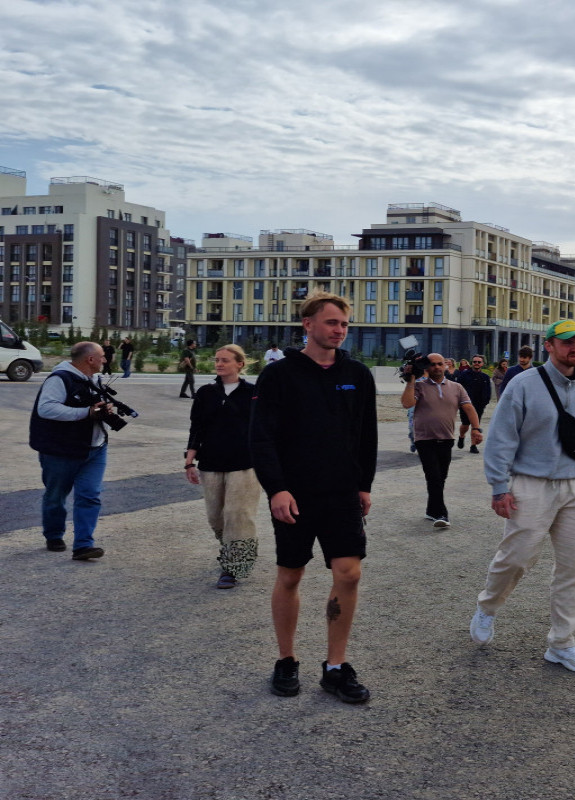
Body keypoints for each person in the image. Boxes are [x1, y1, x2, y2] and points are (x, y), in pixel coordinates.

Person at [250, 292, 377, 703]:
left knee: (349, 573)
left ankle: (336, 667)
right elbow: (262, 438)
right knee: (291, 574)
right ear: (308, 325)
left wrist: (364, 485)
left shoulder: (358, 374)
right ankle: (286, 660)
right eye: (331, 323)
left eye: (344, 324)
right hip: (295, 495)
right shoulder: (280, 375)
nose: (339, 330)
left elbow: (366, 436)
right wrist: (277, 489)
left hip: (341, 492)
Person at [471, 319, 575, 673]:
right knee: (517, 558)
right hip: (531, 484)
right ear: (548, 345)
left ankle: (562, 643)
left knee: (574, 567)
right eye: (567, 342)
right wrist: (499, 487)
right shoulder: (522, 385)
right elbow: (502, 438)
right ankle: (487, 607)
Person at [186, 344, 261, 589]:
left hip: (245, 463)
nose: (219, 364)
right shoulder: (206, 393)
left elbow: (266, 429)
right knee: (216, 517)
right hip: (211, 462)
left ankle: (233, 567)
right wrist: (189, 459)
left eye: (225, 360)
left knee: (237, 515)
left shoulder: (254, 392)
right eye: (217, 360)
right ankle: (229, 548)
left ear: (240, 364)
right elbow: (197, 427)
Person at [29, 341, 111, 560]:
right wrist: (86, 412)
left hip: (95, 448)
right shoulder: (59, 379)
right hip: (61, 450)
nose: (105, 360)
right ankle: (54, 534)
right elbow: (46, 408)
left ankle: (83, 545)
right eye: (102, 356)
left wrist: (104, 409)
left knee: (90, 495)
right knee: (56, 495)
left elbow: (93, 408)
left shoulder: (95, 379)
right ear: (90, 359)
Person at [401, 352, 483, 527]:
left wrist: (476, 429)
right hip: (424, 439)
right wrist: (410, 380)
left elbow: (468, 408)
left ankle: (431, 510)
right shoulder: (419, 386)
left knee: (441, 477)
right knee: (434, 477)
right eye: (432, 364)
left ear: (446, 365)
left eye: (440, 364)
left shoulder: (456, 387)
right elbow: (407, 404)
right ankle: (441, 514)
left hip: (446, 438)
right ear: (426, 367)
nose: (437, 367)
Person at [456, 355, 492, 454]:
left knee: (475, 426)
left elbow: (488, 391)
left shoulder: (485, 377)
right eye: (475, 361)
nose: (476, 363)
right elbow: (458, 388)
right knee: (465, 424)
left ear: (482, 364)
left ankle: (473, 445)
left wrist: (486, 401)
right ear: (472, 363)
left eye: (479, 362)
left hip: (479, 405)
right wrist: (459, 402)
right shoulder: (464, 375)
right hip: (466, 405)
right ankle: (461, 436)